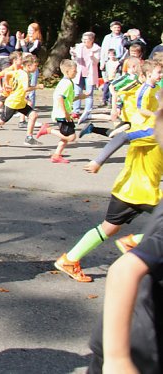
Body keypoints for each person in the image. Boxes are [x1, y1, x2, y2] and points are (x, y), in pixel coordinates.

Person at [87, 111, 163, 373]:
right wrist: (117, 359)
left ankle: (70, 259)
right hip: (134, 192)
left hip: (146, 192)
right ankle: (69, 259)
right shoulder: (147, 130)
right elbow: (124, 271)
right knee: (109, 228)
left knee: (110, 228)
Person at [54, 127, 162, 283]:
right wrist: (98, 161)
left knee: (109, 227)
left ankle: (69, 259)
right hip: (142, 191)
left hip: (125, 189)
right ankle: (133, 242)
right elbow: (123, 136)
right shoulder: (154, 131)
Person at [35, 60, 89, 163]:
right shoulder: (66, 83)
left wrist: (80, 97)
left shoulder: (68, 82)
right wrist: (65, 114)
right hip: (62, 115)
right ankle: (48, 130)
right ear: (67, 71)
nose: (76, 72)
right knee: (71, 137)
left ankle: (56, 155)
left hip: (64, 114)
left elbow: (68, 99)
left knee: (66, 136)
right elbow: (60, 98)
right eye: (74, 71)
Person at [70, 31, 100, 124]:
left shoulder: (96, 48)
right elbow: (74, 59)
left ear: (91, 40)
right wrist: (73, 54)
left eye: (86, 39)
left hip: (90, 73)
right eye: (83, 39)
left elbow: (96, 61)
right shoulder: (79, 47)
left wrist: (92, 57)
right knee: (77, 93)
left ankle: (87, 112)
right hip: (79, 72)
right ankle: (76, 111)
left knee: (89, 94)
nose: (84, 41)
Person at [16, 22, 43, 110]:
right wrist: (19, 40)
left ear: (36, 31)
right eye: (28, 30)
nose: (29, 32)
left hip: (33, 68)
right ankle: (21, 107)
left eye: (31, 30)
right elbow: (17, 49)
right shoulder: (26, 41)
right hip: (24, 68)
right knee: (23, 87)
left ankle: (30, 108)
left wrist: (22, 42)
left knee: (31, 88)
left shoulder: (37, 42)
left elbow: (28, 52)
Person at [0, 21, 16, 86]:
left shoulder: (11, 38)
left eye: (3, 29)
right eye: (0, 29)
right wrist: (0, 42)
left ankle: (5, 92)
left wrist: (5, 44)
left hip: (6, 59)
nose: (1, 31)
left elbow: (12, 50)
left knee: (5, 79)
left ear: (7, 29)